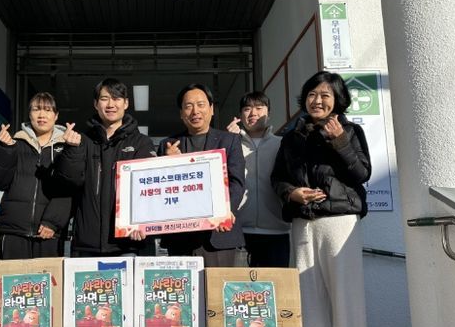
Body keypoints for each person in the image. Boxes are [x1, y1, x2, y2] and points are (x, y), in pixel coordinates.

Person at [271, 71, 373, 327]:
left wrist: (340, 141)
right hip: (303, 223)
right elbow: (277, 178)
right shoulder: (291, 137)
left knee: (345, 302)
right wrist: (292, 193)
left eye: (325, 95)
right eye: (313, 94)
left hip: (340, 223)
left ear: (337, 100)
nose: (318, 100)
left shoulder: (351, 131)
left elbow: (361, 174)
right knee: (307, 306)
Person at [54, 78, 156, 256]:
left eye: (116, 98)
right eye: (104, 99)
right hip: (87, 244)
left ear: (126, 103)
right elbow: (69, 182)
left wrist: (143, 222)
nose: (110, 104)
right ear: (96, 104)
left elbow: (149, 190)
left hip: (128, 243)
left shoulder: (141, 143)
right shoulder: (83, 141)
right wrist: (71, 150)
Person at [158, 84, 245, 266]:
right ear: (181, 113)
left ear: (211, 109)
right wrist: (168, 163)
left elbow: (236, 182)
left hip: (218, 234)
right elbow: (159, 188)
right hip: (180, 237)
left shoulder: (229, 141)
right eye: (188, 106)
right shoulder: (168, 145)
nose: (195, 111)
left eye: (201, 104)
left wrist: (226, 211)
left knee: (218, 285)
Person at [0, 92, 71, 259]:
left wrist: (53, 222)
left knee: (48, 276)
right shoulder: (15, 143)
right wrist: (5, 149)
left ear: (56, 116)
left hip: (49, 233)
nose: (41, 115)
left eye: (47, 110)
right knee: (11, 276)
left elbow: (70, 189)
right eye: (36, 109)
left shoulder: (66, 148)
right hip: (13, 231)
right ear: (29, 114)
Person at [226, 91, 290, 267]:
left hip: (276, 231)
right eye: (247, 109)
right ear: (240, 115)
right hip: (238, 231)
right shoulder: (231, 144)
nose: (253, 113)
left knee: (276, 283)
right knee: (237, 285)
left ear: (269, 113)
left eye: (259, 108)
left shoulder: (282, 144)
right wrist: (226, 140)